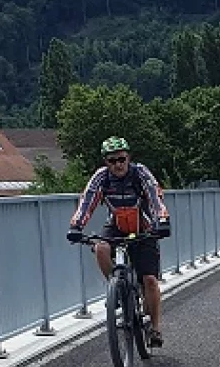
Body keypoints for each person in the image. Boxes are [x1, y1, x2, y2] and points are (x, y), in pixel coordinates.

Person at [68, 137, 171, 347]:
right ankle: (116, 287)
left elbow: (154, 195)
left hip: (143, 226)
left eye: (121, 159)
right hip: (116, 224)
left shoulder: (140, 173)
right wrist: (76, 226)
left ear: (128, 158)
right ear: (106, 162)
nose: (117, 164)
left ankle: (155, 329)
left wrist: (162, 220)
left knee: (150, 280)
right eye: (112, 160)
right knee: (100, 248)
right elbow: (87, 200)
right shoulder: (102, 177)